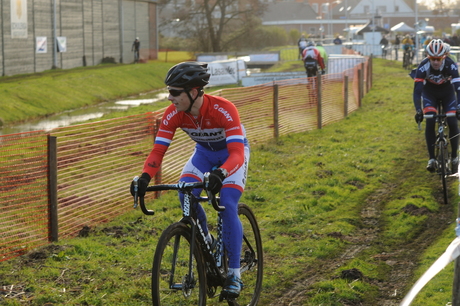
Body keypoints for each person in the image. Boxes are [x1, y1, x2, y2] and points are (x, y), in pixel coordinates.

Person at [130, 62, 250, 298]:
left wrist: (221, 174)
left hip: (232, 157)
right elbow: (158, 151)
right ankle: (205, 240)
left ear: (193, 92)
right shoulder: (173, 114)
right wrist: (145, 177)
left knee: (227, 202)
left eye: (175, 92)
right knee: (185, 191)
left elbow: (236, 152)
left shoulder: (223, 109)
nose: (169, 97)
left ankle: (234, 273)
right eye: (168, 91)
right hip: (203, 155)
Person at [412, 39, 460, 173]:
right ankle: (432, 158)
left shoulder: (451, 65)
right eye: (432, 58)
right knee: (430, 120)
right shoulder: (423, 66)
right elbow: (417, 91)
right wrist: (418, 110)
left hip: (447, 93)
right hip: (430, 94)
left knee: (452, 120)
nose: (436, 62)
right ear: (428, 57)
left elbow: (458, 88)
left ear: (444, 56)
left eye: (439, 59)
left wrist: (459, 107)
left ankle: (455, 156)